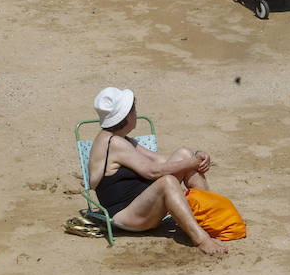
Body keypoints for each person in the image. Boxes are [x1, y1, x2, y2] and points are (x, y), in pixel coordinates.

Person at [86, 87, 228, 256]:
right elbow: (152, 172)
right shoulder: (114, 143)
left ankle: (213, 218)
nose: (136, 114)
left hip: (142, 205)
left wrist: (195, 157)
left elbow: (158, 160)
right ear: (127, 116)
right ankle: (201, 239)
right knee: (167, 182)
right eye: (134, 110)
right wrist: (191, 163)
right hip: (126, 215)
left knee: (183, 154)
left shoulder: (121, 139)